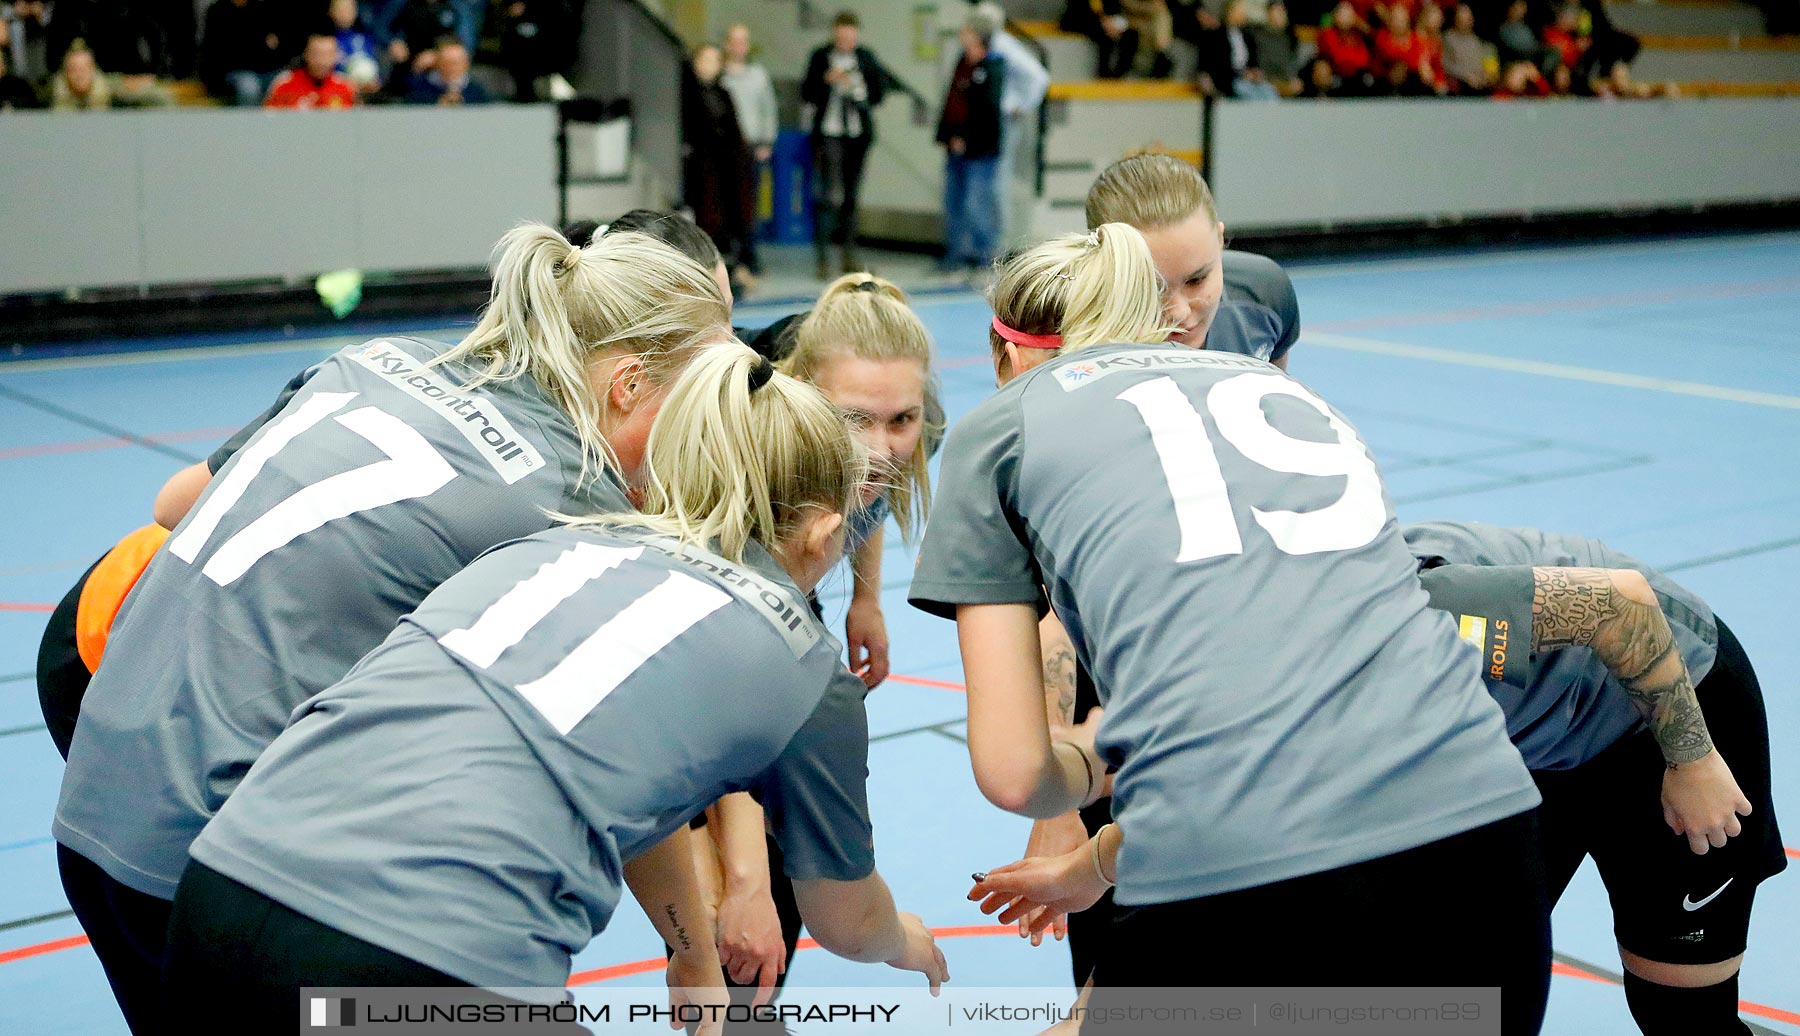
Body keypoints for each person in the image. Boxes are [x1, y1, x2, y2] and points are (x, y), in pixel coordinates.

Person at [52, 225, 732, 1036]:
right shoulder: (568, 500)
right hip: (219, 861)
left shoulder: (377, 360)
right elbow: (611, 767)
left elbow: (178, 505)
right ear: (627, 384)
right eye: (694, 412)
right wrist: (693, 956)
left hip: (98, 800)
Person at [158, 343, 950, 1032]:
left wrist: (690, 946)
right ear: (821, 530)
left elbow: (615, 792)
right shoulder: (804, 663)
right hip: (416, 951)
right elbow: (844, 917)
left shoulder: (564, 540)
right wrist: (904, 939)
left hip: (219, 888)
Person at [910, 224, 1549, 1034]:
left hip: (1242, 870)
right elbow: (1301, 709)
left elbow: (1014, 773)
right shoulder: (1284, 391)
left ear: (1005, 355)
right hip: (1483, 835)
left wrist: (1090, 753)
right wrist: (1103, 861)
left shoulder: (1003, 426)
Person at [977, 523, 1782, 1036]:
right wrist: (1083, 873)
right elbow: (1198, 804)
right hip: (1515, 751)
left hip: (1667, 710)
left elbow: (1622, 607)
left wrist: (1694, 756)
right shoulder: (1225, 679)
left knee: (1682, 1016)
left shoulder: (1416, 617)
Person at [800, 11, 893, 278]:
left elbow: (878, 93)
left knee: (851, 196)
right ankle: (823, 258)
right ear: (834, 34)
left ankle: (848, 256)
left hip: (856, 134)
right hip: (829, 132)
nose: (845, 41)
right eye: (841, 37)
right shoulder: (820, 57)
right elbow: (807, 92)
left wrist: (858, 86)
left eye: (850, 37)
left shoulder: (866, 58)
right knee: (828, 194)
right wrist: (826, 81)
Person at [936, 10, 1006, 274]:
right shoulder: (962, 62)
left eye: (966, 32)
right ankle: (955, 254)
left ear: (977, 36)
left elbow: (986, 111)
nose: (961, 36)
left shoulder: (993, 65)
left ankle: (985, 256)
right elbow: (953, 102)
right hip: (956, 146)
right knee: (953, 202)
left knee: (976, 204)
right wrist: (949, 136)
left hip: (980, 149)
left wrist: (967, 139)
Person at [684, 44, 757, 294]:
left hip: (728, 167)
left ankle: (733, 270)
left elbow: (735, 131)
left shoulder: (724, 93)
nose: (709, 65)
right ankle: (710, 273)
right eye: (705, 59)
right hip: (702, 166)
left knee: (732, 219)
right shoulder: (686, 93)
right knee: (708, 220)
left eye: (715, 60)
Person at [719, 24, 777, 285]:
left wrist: (767, 141)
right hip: (725, 150)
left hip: (752, 148)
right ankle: (728, 257)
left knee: (748, 206)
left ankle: (749, 255)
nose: (740, 46)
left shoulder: (758, 75)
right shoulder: (720, 77)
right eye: (735, 41)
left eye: (744, 41)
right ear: (727, 44)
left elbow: (768, 109)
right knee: (725, 204)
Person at [198, 0, 286, 105]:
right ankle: (251, 122)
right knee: (249, 87)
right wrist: (259, 45)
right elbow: (220, 51)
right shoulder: (218, 11)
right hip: (233, 72)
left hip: (266, 70)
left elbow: (276, 46)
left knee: (285, 81)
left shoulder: (261, 8)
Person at [265, 31, 357, 107]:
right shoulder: (284, 84)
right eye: (316, 54)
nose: (322, 61)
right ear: (306, 54)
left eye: (328, 55)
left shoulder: (346, 87)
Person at [404, 37, 489, 103]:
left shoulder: (477, 91)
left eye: (457, 63)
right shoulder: (420, 88)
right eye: (447, 63)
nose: (452, 68)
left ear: (466, 64)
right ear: (437, 64)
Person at [50, 42, 110, 109]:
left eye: (84, 69)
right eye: (74, 69)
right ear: (66, 72)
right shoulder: (50, 92)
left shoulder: (109, 88)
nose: (80, 75)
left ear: (93, 70)